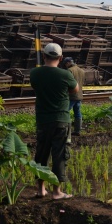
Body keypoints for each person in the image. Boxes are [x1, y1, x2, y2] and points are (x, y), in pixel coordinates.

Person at [30, 43, 78, 200]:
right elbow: (75, 89)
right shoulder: (65, 75)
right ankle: (57, 192)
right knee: (59, 155)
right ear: (61, 58)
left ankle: (40, 190)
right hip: (61, 121)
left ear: (44, 56)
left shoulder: (35, 73)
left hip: (43, 121)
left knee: (41, 155)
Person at [63, 57, 85, 136]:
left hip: (71, 96)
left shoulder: (70, 71)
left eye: (65, 64)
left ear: (68, 63)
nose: (65, 66)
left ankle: (65, 131)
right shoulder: (82, 71)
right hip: (79, 95)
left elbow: (67, 83)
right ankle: (77, 130)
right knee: (78, 113)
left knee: (65, 112)